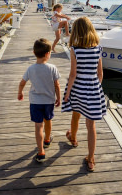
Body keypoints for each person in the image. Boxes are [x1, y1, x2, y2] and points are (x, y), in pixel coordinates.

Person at [61, 17, 106, 172]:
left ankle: (73, 138)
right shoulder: (98, 48)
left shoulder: (74, 50)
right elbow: (100, 74)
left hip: (78, 87)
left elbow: (73, 74)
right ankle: (91, 158)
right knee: (91, 125)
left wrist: (67, 94)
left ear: (76, 31)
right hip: (93, 87)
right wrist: (96, 89)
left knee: (76, 114)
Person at [17, 38, 61, 163]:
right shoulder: (52, 68)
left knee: (38, 126)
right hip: (49, 101)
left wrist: (20, 93)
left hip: (35, 102)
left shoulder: (30, 69)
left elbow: (22, 83)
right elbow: (57, 85)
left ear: (33, 52)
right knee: (48, 120)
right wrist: (58, 98)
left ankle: (41, 151)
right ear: (47, 54)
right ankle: (47, 139)